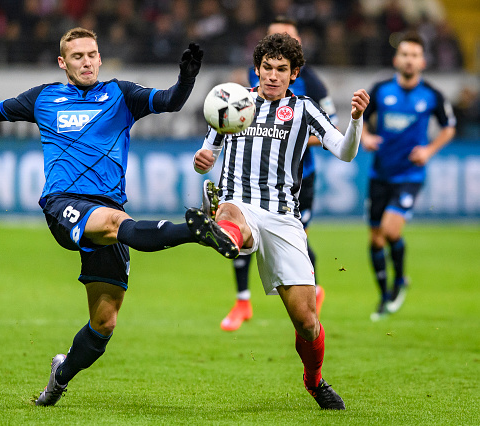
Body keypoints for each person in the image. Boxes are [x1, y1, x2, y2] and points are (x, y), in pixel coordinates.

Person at [0, 27, 240, 407]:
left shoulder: (121, 95)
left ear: (100, 58)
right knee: (115, 225)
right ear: (63, 62)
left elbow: (170, 102)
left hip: (109, 208)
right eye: (77, 56)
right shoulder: (43, 98)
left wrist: (186, 78)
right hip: (64, 204)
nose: (86, 62)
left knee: (104, 323)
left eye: (91, 55)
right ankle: (197, 231)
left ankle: (60, 377)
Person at [193, 32, 369, 410]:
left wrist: (355, 121)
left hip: (283, 216)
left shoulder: (304, 109)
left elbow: (345, 152)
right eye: (267, 68)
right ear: (256, 69)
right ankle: (221, 230)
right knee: (232, 216)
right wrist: (202, 160)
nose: (272, 75)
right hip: (239, 203)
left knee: (307, 321)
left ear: (294, 74)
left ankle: (314, 381)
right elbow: (207, 154)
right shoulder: (231, 100)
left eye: (281, 69)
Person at [219, 16, 337, 332]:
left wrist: (289, 135)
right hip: (249, 178)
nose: (273, 72)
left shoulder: (312, 83)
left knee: (297, 239)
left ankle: (311, 291)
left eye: (289, 38)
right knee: (240, 227)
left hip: (297, 178)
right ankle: (242, 301)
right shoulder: (254, 80)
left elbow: (332, 127)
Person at [361, 31, 456, 321]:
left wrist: (429, 150)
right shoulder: (380, 90)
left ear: (423, 62)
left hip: (409, 174)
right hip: (380, 172)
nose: (409, 60)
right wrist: (365, 136)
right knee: (376, 239)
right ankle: (384, 296)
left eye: (415, 55)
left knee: (391, 231)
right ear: (396, 59)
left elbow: (449, 126)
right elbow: (360, 117)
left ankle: (400, 279)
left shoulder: (432, 95)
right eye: (405, 54)